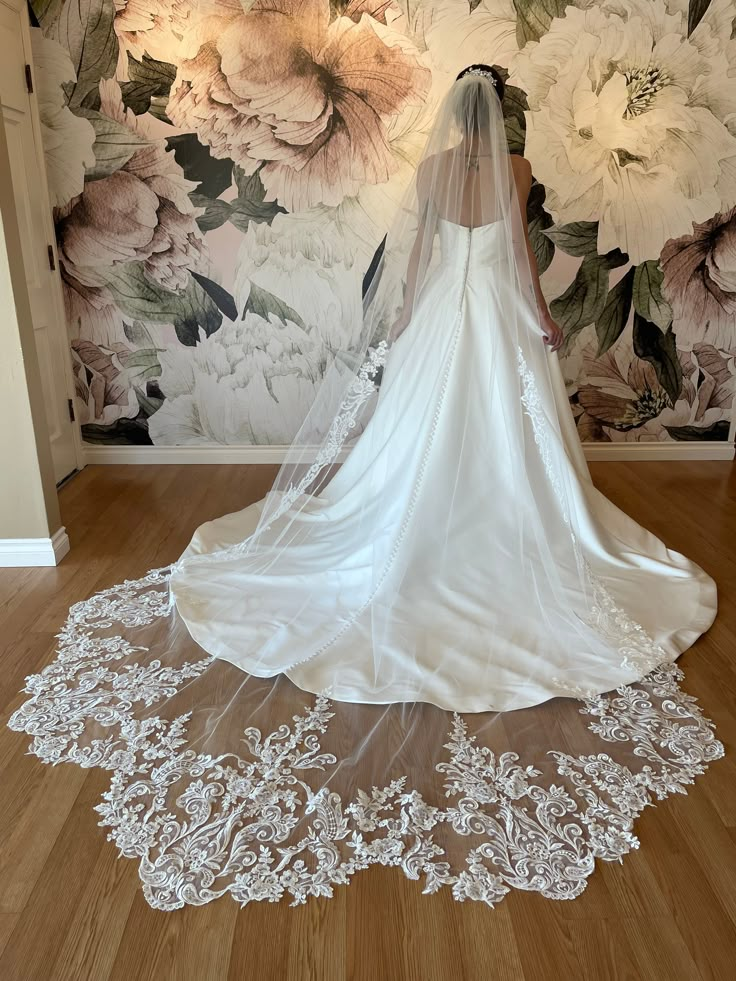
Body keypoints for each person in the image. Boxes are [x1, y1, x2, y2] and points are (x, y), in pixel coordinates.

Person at [9, 65, 722, 911]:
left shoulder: (430, 171)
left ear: (458, 112)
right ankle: (500, 520)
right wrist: (539, 320)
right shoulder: (520, 173)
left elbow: (419, 256)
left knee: (408, 439)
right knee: (504, 429)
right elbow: (526, 269)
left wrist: (407, 316)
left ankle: (416, 517)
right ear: (505, 111)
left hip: (446, 318)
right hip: (491, 315)